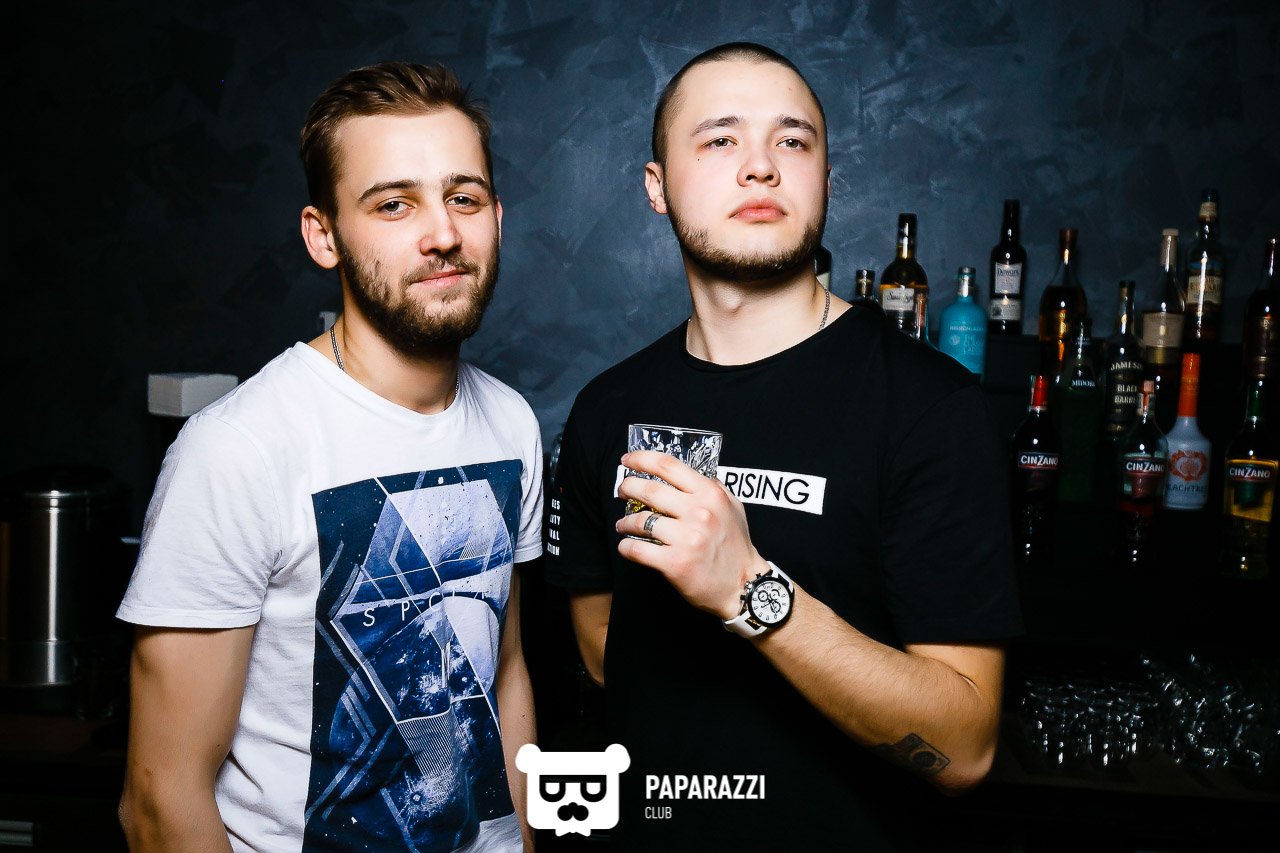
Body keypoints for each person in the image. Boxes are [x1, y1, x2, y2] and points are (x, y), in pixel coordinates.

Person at [544, 42, 1023, 851]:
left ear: (827, 180)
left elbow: (966, 746)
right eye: (720, 138)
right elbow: (601, 648)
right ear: (657, 186)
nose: (761, 165)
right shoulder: (607, 408)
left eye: (792, 140)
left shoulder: (931, 409)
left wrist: (748, 589)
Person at [116, 61, 541, 852]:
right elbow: (158, 798)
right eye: (393, 203)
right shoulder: (237, 449)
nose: (443, 233)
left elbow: (503, 673)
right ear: (323, 234)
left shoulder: (510, 423)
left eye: (463, 197)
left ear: (496, 216)